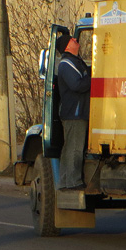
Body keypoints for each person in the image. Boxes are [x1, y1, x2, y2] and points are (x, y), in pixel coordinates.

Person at [56, 32, 91, 190]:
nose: (75, 39)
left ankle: (65, 181)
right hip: (74, 113)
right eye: (72, 39)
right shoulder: (67, 64)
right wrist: (94, 79)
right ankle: (73, 182)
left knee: (71, 147)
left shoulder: (74, 61)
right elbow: (77, 85)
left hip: (76, 112)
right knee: (74, 148)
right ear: (67, 46)